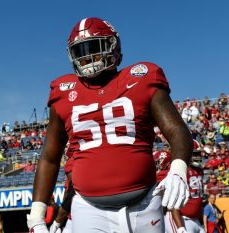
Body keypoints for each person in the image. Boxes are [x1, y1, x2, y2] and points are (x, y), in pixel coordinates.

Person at [27, 17, 193, 233]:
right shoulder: (63, 92)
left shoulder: (142, 77)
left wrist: (178, 169)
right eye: (80, 51)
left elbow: (177, 130)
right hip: (88, 209)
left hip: (144, 204)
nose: (87, 57)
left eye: (93, 47)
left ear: (113, 47)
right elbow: (50, 157)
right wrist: (37, 217)